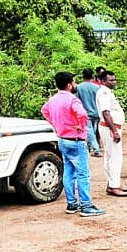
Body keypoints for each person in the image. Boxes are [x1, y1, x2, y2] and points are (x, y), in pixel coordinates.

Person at [41, 72, 105, 217]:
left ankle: (72, 203)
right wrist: (81, 126)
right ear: (69, 85)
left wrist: (55, 124)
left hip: (62, 139)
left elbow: (44, 111)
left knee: (68, 171)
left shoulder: (53, 100)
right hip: (76, 140)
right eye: (74, 82)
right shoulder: (72, 100)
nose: (75, 84)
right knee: (83, 173)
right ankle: (86, 206)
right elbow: (82, 115)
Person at [95, 70, 127, 197]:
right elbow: (106, 113)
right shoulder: (103, 93)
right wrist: (114, 131)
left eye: (114, 79)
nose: (114, 82)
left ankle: (112, 183)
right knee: (115, 157)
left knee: (110, 156)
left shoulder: (108, 92)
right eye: (111, 80)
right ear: (103, 81)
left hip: (110, 127)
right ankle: (114, 186)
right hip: (109, 128)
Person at [76, 68, 101, 157]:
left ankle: (96, 149)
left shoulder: (79, 87)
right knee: (92, 132)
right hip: (97, 113)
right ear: (92, 75)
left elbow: (77, 101)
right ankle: (92, 147)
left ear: (83, 76)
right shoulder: (97, 87)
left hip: (86, 113)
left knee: (90, 132)